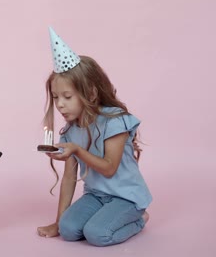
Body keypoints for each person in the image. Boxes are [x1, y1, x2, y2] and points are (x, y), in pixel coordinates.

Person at [36, 27, 152, 246]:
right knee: (68, 231)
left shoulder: (115, 122)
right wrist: (58, 221)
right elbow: (70, 178)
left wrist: (77, 150)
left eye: (67, 96)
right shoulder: (70, 130)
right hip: (96, 196)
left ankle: (139, 219)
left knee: (97, 235)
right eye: (56, 97)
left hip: (126, 198)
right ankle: (83, 219)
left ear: (90, 93)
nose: (60, 104)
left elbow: (109, 167)